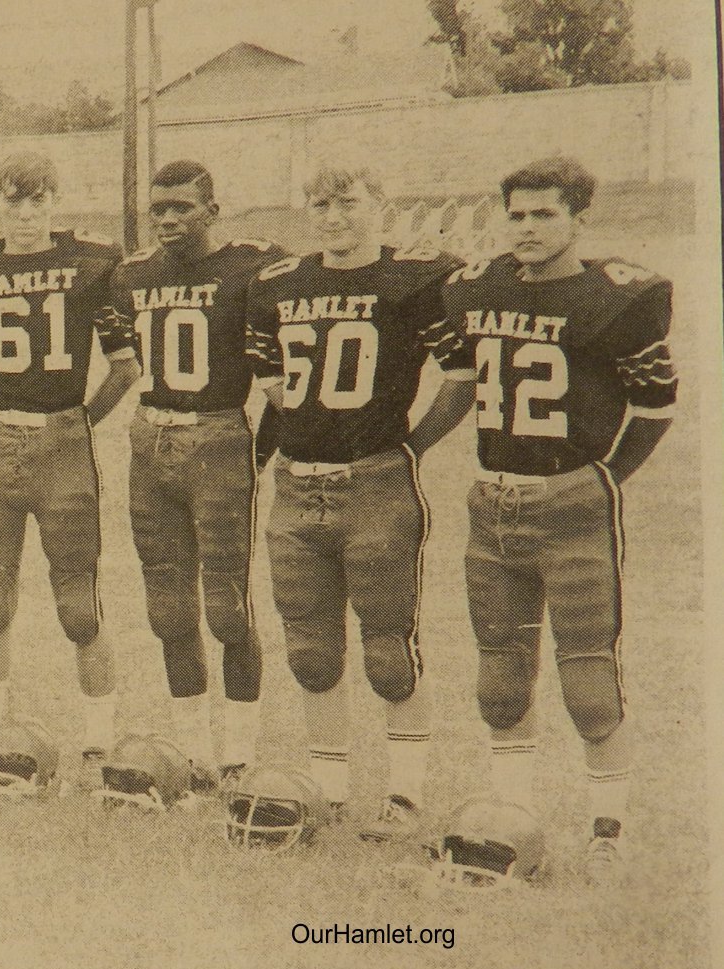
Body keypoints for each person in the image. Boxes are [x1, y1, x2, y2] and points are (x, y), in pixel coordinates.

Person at [420, 156, 676, 884]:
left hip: (571, 503)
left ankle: (608, 830)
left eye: (545, 214)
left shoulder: (617, 295)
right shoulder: (476, 286)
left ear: (578, 218)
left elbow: (656, 406)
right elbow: (464, 383)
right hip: (492, 500)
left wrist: (604, 479)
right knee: (500, 677)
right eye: (518, 214)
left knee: (588, 678)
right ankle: (511, 820)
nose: (528, 228)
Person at [244, 164, 465, 842]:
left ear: (381, 203)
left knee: (389, 647)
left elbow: (460, 378)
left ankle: (404, 794)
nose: (333, 216)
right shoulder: (279, 283)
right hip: (299, 485)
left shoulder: (421, 277)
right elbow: (272, 382)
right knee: (310, 648)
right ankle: (332, 792)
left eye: (348, 202)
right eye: (320, 202)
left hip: (376, 482)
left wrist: (409, 446)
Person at [0, 150, 140, 779]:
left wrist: (76, 421)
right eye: (12, 201)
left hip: (63, 445)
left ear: (56, 201)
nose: (25, 215)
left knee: (78, 603)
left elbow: (126, 365)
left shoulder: (92, 261)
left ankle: (100, 742)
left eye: (37, 201)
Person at [109, 159, 289, 781]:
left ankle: (239, 753)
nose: (167, 220)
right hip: (150, 434)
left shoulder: (252, 266)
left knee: (227, 608)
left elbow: (281, 383)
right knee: (169, 611)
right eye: (158, 209)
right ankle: (195, 752)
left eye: (181, 208)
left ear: (213, 210)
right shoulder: (132, 274)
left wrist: (254, 453)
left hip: (217, 434)